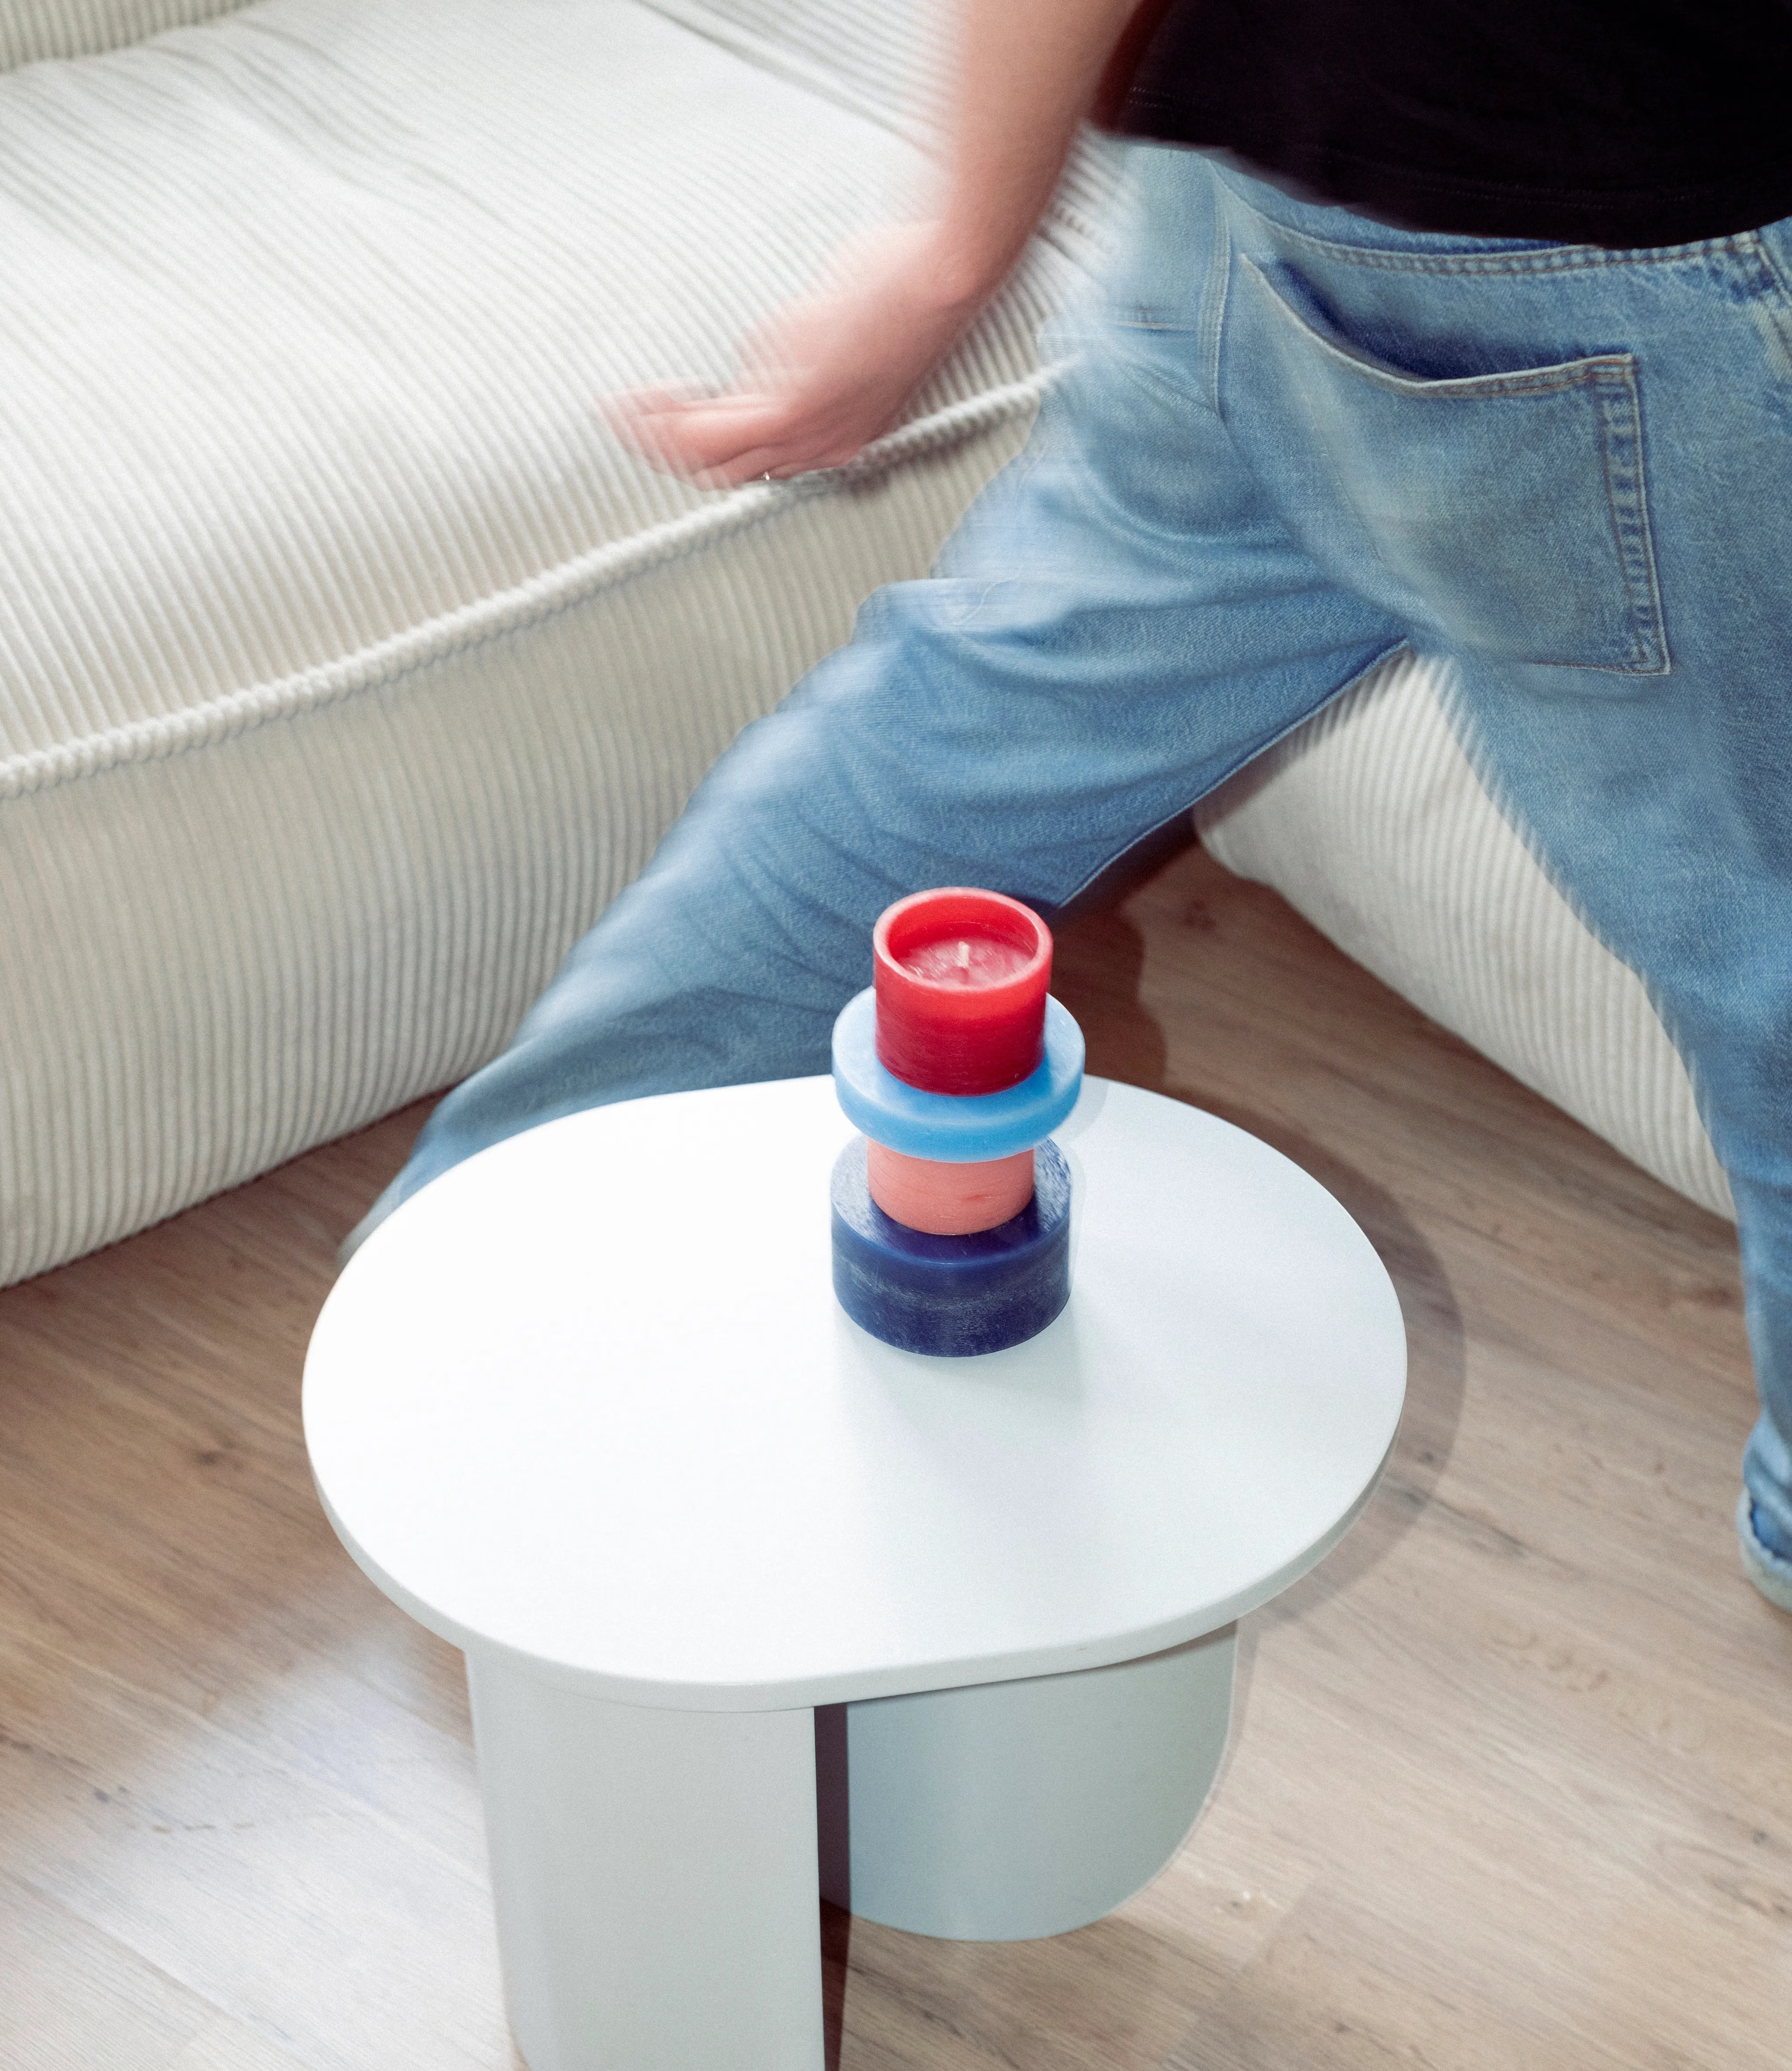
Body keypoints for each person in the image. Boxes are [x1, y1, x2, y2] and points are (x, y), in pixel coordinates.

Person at [348, 0, 1792, 1612]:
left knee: (954, 741)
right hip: (1600, 228)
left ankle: (453, 1287)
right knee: (1775, 954)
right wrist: (957, 246)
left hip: (1248, 185)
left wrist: (961, 233)